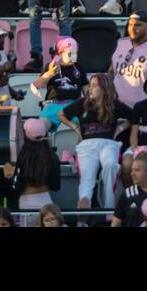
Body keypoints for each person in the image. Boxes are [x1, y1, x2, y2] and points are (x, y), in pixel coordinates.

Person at [61, 74, 132, 211]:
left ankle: (109, 206)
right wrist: (75, 128)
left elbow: (134, 117)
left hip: (108, 144)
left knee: (110, 164)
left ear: (104, 89)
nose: (90, 89)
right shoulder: (82, 103)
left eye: (94, 86)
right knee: (87, 179)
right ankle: (84, 207)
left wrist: (119, 129)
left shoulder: (114, 105)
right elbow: (61, 114)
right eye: (90, 86)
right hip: (87, 145)